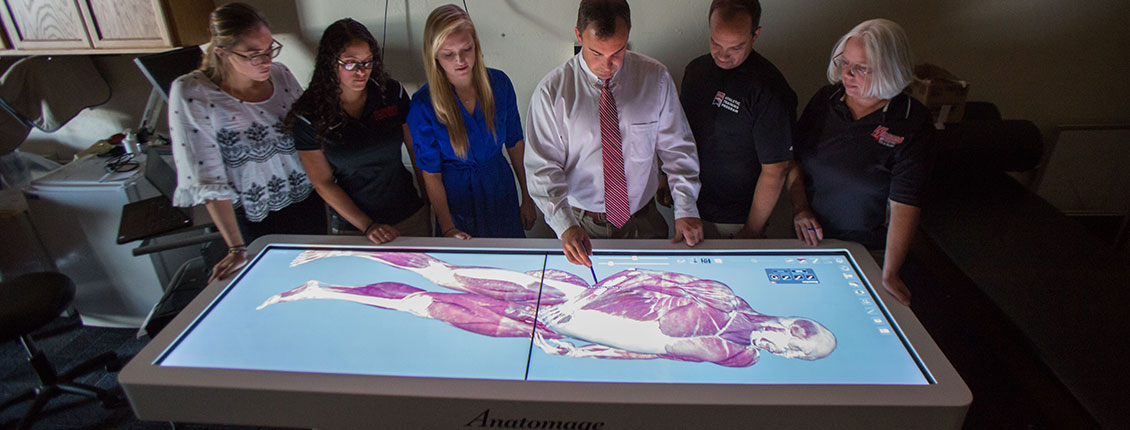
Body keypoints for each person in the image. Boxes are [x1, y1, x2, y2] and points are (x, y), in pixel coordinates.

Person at [262, 249, 837, 367]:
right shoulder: (728, 300)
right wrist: (587, 298)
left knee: (427, 306)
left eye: (796, 354)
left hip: (562, 326)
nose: (784, 345)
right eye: (798, 336)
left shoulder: (738, 357)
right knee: (448, 273)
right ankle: (338, 252)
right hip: (568, 295)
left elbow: (650, 356)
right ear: (795, 322)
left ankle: (323, 292)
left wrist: (579, 347)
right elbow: (646, 274)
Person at [526, 0, 703, 267]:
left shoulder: (655, 78)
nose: (607, 65)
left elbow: (677, 148)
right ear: (578, 35)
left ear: (629, 34)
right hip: (583, 226)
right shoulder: (552, 93)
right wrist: (564, 225)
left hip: (646, 222)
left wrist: (686, 208)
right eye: (596, 53)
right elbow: (542, 168)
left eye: (617, 52)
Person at [169, 2, 325, 282]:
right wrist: (236, 247)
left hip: (306, 203)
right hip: (253, 216)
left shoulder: (281, 74)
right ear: (221, 52)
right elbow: (208, 178)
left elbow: (309, 134)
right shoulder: (194, 93)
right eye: (254, 55)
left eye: (269, 49)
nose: (266, 60)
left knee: (314, 280)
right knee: (271, 285)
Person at [786, 19, 933, 306]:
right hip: (811, 236)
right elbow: (794, 161)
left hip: (869, 248)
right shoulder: (826, 100)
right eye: (844, 63)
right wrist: (800, 209)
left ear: (889, 68)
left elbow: (905, 203)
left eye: (860, 68)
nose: (846, 74)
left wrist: (889, 273)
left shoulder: (911, 121)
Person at [286, 19, 428, 245]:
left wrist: (429, 202)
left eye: (368, 62)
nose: (362, 72)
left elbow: (416, 150)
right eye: (351, 64)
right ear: (330, 63)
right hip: (355, 226)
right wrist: (368, 226)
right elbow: (323, 182)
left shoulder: (390, 93)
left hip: (409, 213)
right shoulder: (309, 115)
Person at [407, 4, 535, 239]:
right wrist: (448, 228)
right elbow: (431, 173)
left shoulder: (499, 84)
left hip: (499, 189)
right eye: (448, 54)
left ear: (476, 44)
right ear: (434, 55)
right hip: (456, 202)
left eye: (467, 49)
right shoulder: (423, 105)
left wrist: (527, 196)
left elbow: (515, 143)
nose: (460, 60)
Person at [676, 0, 796, 240]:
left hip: (737, 219)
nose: (723, 55)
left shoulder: (769, 89)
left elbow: (776, 170)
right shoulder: (695, 72)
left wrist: (752, 229)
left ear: (755, 35)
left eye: (735, 47)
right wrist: (667, 180)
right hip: (689, 208)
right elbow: (679, 134)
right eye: (715, 43)